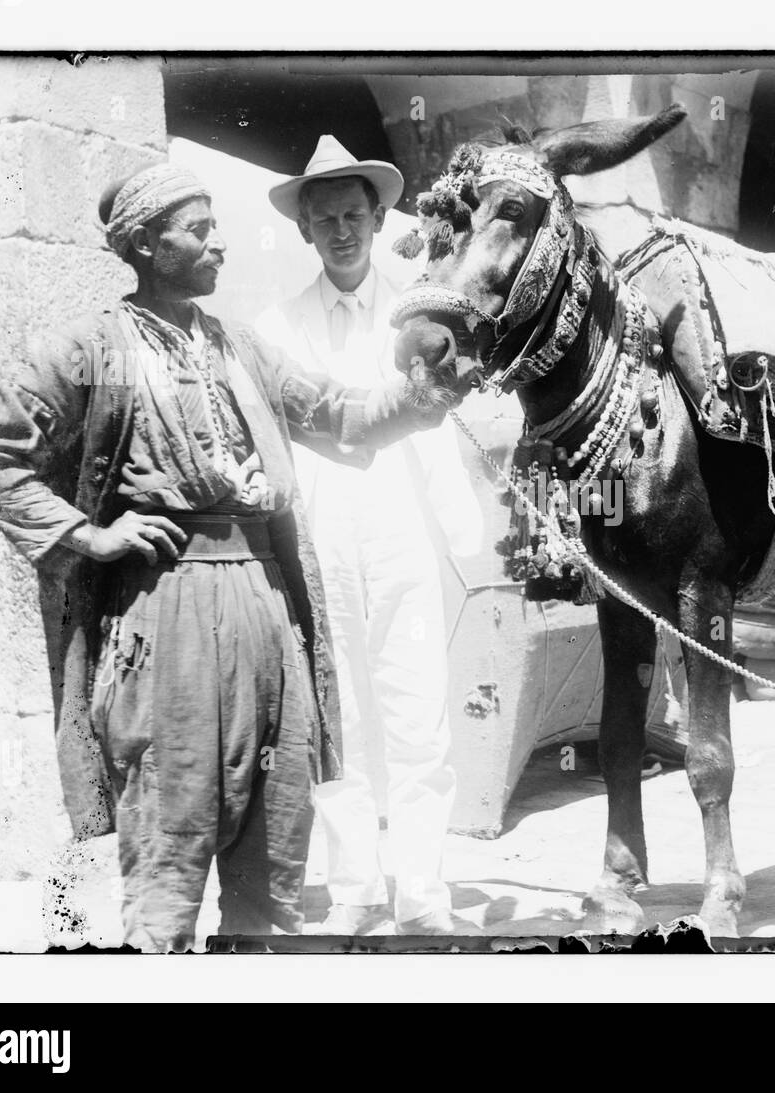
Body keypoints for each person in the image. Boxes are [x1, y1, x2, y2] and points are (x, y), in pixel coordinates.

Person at [0, 162, 443, 952]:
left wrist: (425, 395)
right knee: (172, 823)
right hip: (166, 612)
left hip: (265, 605)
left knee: (275, 818)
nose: (222, 244)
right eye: (200, 230)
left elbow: (337, 414)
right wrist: (88, 536)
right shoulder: (91, 348)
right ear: (148, 245)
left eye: (218, 227)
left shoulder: (239, 345)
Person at [256, 135, 481, 936]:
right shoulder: (274, 327)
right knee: (337, 714)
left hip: (399, 530)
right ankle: (353, 884)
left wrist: (471, 552)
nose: (342, 231)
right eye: (326, 221)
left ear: (380, 218)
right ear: (306, 232)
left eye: (354, 214)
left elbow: (440, 432)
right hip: (319, 537)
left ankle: (421, 888)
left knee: (418, 713)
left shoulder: (415, 314)